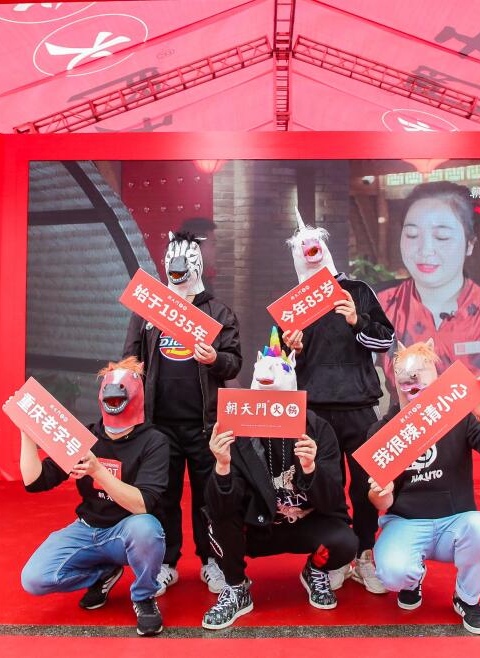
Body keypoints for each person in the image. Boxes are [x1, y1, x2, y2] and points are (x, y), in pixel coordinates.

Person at [201, 331, 357, 630]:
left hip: (306, 523)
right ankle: (236, 587)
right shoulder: (236, 429)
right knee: (216, 524)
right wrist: (222, 465)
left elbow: (335, 501)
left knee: (344, 543)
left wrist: (310, 469)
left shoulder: (317, 429)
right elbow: (220, 506)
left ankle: (315, 570)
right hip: (258, 525)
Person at [367, 340, 480, 635]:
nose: (412, 383)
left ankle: (467, 598)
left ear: (437, 377)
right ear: (395, 381)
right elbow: (381, 503)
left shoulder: (459, 417)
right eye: (405, 377)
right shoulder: (382, 432)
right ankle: (412, 578)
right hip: (406, 523)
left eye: (419, 374)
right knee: (392, 573)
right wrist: (380, 492)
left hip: (455, 522)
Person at [281, 211, 395, 594]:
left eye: (314, 248)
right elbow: (275, 363)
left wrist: (357, 321)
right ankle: (336, 555)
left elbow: (385, 340)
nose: (310, 254)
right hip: (314, 411)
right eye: (302, 250)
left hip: (359, 404)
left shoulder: (357, 290)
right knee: (325, 487)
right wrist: (290, 348)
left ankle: (364, 553)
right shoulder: (292, 305)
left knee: (365, 484)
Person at [123, 231, 242, 596]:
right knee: (163, 496)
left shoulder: (218, 312)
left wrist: (215, 358)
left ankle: (212, 561)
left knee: (209, 497)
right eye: (172, 262)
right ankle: (165, 563)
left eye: (185, 262)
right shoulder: (150, 310)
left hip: (205, 425)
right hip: (159, 426)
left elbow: (234, 363)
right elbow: (130, 359)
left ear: (197, 264)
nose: (178, 269)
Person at [19, 357, 169, 636]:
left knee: (148, 529)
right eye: (109, 398)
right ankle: (102, 574)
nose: (114, 403)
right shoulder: (86, 436)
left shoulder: (154, 442)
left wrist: (98, 471)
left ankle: (144, 596)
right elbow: (35, 481)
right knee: (34, 579)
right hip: (87, 529)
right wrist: (27, 434)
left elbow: (142, 504)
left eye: (119, 399)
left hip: (127, 531)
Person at [376, 181, 480, 405]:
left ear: (470, 244)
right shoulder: (377, 305)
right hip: (403, 428)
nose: (425, 250)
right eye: (412, 235)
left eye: (442, 237)